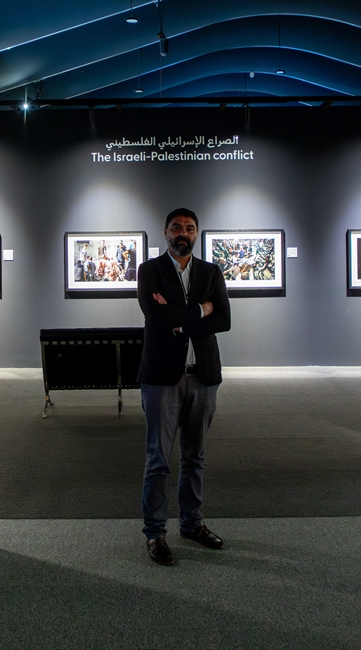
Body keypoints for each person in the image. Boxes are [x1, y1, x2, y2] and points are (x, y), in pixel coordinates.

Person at [135, 207, 231, 566]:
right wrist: (200, 309)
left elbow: (224, 319)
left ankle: (191, 524)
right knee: (158, 459)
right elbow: (154, 315)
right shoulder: (149, 271)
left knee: (195, 457)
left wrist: (179, 320)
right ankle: (155, 533)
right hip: (162, 377)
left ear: (196, 234)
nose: (183, 234)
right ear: (165, 232)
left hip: (202, 376)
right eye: (176, 227)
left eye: (190, 228)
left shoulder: (211, 271)